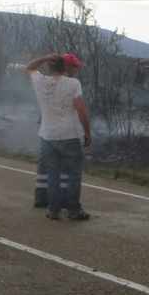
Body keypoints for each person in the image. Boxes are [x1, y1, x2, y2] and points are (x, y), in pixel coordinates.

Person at [24, 53, 91, 221]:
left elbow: (29, 67)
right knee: (74, 175)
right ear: (65, 68)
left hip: (47, 136)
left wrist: (44, 57)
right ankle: (73, 210)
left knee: (52, 174)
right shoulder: (73, 84)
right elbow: (81, 109)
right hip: (70, 135)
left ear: (49, 67)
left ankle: (53, 210)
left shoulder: (40, 81)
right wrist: (87, 132)